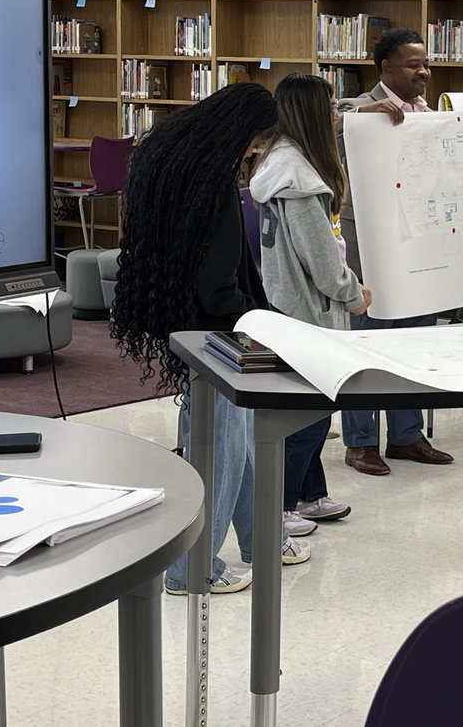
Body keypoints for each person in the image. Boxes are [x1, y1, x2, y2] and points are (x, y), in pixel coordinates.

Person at [112, 82, 308, 595]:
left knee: (238, 441)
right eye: (256, 143)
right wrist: (263, 324)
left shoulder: (169, 165)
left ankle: (261, 540)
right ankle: (191, 568)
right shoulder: (213, 189)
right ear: (240, 133)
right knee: (220, 450)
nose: (255, 153)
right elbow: (218, 287)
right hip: (218, 335)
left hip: (187, 327)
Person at [250, 73, 367, 535]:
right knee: (311, 413)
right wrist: (354, 293)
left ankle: (310, 494)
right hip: (310, 311)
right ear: (314, 114)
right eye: (332, 106)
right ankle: (278, 504)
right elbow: (322, 262)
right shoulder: (301, 182)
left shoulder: (279, 163)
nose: (338, 112)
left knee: (314, 407)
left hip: (287, 303)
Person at [335, 28, 453, 475]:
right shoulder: (358, 108)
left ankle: (407, 435)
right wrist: (366, 111)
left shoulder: (428, 111)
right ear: (385, 68)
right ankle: (360, 441)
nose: (424, 72)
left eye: (426, 64)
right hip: (371, 241)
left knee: (414, 339)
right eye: (413, 64)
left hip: (419, 239)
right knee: (366, 336)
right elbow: (326, 120)